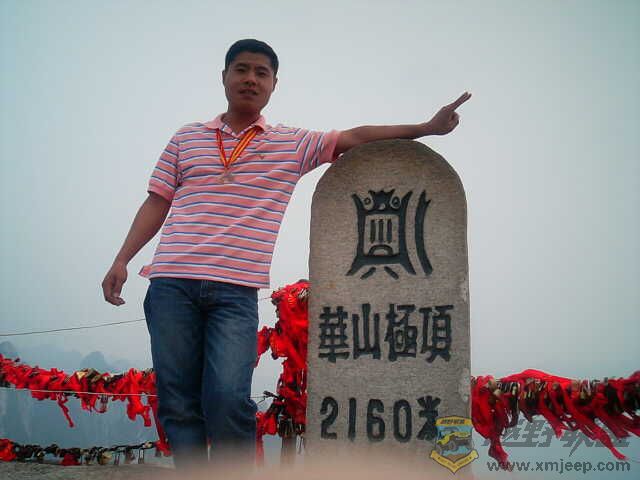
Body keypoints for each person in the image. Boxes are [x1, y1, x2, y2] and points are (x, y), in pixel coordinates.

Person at [101, 39, 471, 469]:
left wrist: (425, 128)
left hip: (235, 292)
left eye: (261, 72)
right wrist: (122, 258)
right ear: (224, 77)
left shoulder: (290, 144)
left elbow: (354, 137)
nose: (250, 79)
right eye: (241, 69)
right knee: (178, 398)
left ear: (274, 84)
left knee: (227, 397)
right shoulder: (187, 137)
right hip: (172, 283)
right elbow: (157, 201)